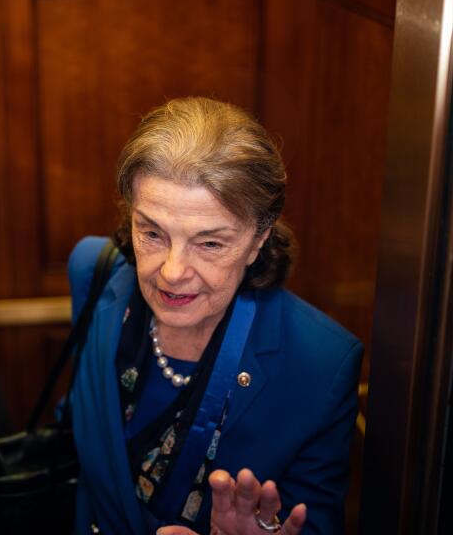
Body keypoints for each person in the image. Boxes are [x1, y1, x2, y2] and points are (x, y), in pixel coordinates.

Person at [67, 97, 362, 534]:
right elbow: (79, 424)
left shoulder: (324, 363)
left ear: (258, 239)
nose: (171, 272)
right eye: (151, 233)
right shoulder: (93, 271)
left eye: (210, 244)